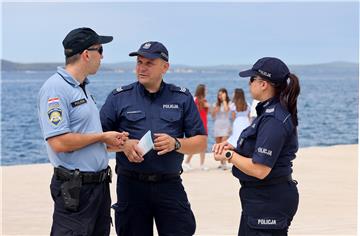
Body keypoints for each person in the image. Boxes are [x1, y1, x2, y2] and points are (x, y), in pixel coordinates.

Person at [100, 41, 207, 236]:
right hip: (131, 187)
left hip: (169, 185)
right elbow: (98, 141)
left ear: (165, 67)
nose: (141, 68)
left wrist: (176, 143)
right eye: (139, 62)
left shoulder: (181, 98)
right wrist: (123, 145)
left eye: (149, 63)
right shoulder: (118, 98)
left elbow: (201, 142)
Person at [37, 27, 128, 236]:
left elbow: (85, 137)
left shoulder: (81, 87)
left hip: (98, 188)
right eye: (100, 50)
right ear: (87, 54)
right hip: (75, 190)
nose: (103, 56)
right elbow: (59, 142)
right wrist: (102, 136)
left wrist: (115, 143)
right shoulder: (56, 88)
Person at [212, 57, 300, 235]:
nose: (249, 83)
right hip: (260, 199)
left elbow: (260, 170)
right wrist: (235, 150)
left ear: (264, 84)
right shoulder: (267, 112)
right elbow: (258, 152)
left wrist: (229, 156)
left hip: (269, 200)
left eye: (252, 79)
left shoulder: (274, 119)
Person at [183, 84, 209, 171]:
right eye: (205, 89)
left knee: (203, 145)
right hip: (197, 125)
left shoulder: (204, 101)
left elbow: (206, 113)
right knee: (197, 145)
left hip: (204, 124)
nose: (207, 91)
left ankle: (201, 164)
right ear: (202, 91)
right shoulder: (195, 100)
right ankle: (186, 162)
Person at [211, 88, 231, 170]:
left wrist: (224, 100)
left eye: (222, 94)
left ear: (225, 94)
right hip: (217, 125)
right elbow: (213, 115)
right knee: (218, 145)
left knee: (224, 144)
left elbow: (227, 110)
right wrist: (215, 109)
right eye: (219, 94)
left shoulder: (229, 103)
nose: (220, 96)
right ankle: (222, 163)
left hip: (225, 125)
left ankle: (225, 163)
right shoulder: (216, 104)